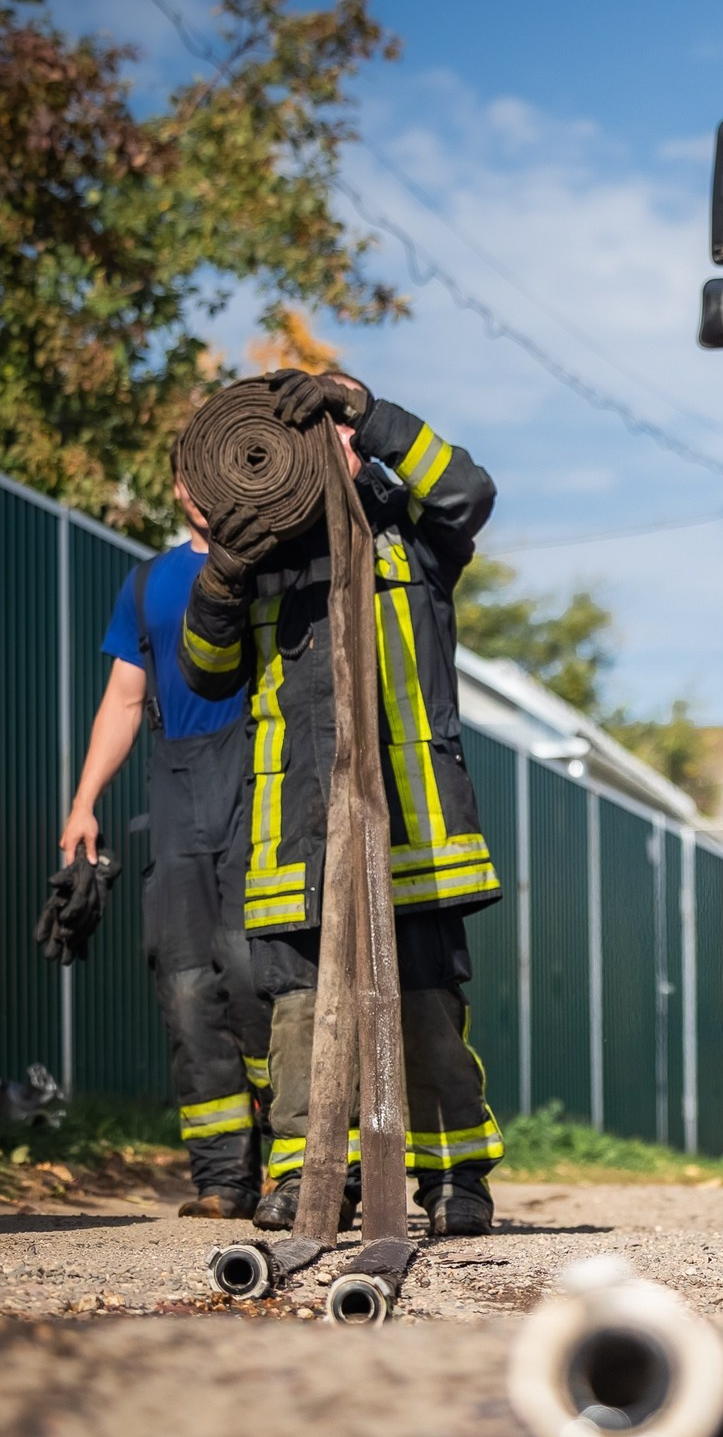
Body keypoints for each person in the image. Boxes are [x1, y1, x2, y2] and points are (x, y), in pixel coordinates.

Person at [177, 371, 505, 1238]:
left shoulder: (411, 534)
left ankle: (454, 1177)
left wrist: (369, 406)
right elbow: (203, 676)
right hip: (298, 830)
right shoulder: (258, 560)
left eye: (337, 431)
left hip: (415, 824)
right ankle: (309, 1171)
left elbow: (469, 488)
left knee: (426, 1004)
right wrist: (219, 580)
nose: (326, 446)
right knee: (297, 1010)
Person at [58, 476, 268, 1218]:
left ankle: (298, 1168)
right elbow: (122, 697)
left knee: (256, 970)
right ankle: (221, 1175)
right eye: (193, 476)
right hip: (177, 780)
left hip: (259, 775)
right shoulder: (148, 580)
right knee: (183, 978)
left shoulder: (271, 563)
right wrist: (84, 803)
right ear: (180, 484)